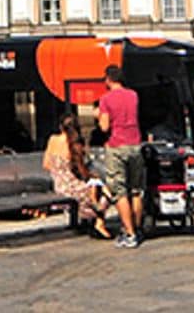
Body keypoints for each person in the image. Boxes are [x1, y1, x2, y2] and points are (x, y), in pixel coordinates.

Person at [94, 64, 143, 249]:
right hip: (135, 144)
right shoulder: (133, 95)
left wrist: (98, 116)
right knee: (136, 190)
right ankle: (137, 228)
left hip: (117, 145)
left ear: (108, 79)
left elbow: (105, 127)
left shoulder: (105, 99)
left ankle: (129, 234)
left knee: (120, 191)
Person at [43, 112, 111, 239]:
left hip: (59, 185)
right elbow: (82, 172)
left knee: (93, 191)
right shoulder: (74, 144)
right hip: (73, 186)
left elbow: (46, 164)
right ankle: (99, 223)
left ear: (60, 127)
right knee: (105, 192)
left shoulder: (52, 140)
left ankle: (90, 220)